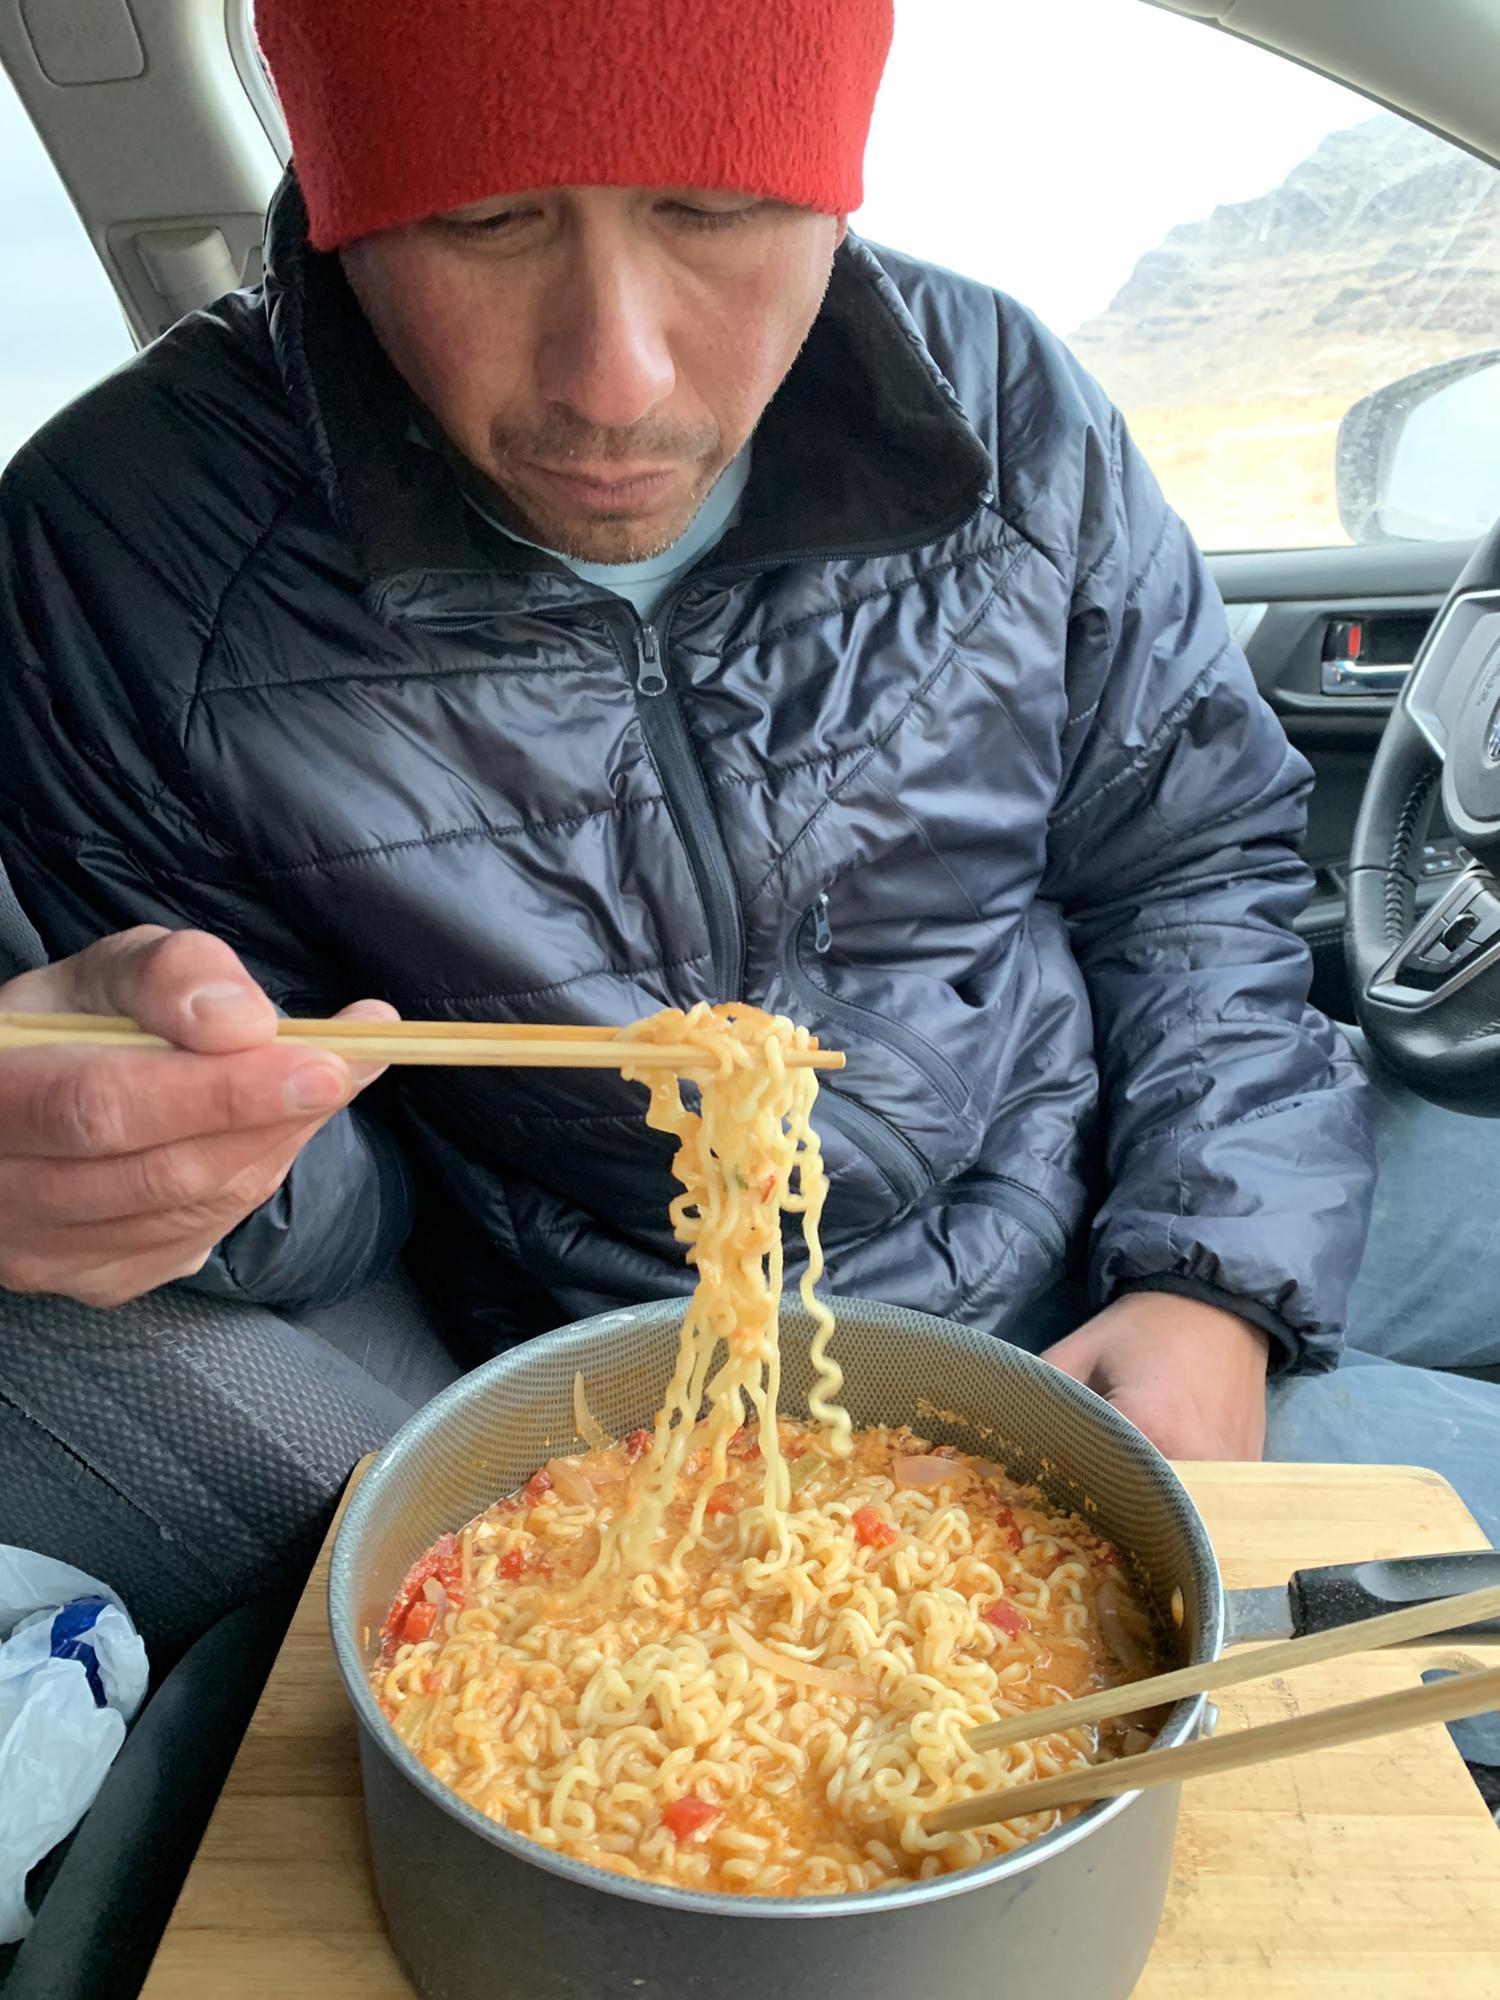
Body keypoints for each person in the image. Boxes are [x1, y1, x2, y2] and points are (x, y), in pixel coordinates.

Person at [0, 0, 1496, 1660]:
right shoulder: (123, 551)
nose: (616, 381)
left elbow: (1191, 866)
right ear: (347, 213)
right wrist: (178, 1155)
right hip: (644, 1385)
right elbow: (338, 1206)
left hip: (1097, 1188)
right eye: (481, 219)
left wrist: (1212, 1282)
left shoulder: (1000, 403)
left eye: (713, 209)